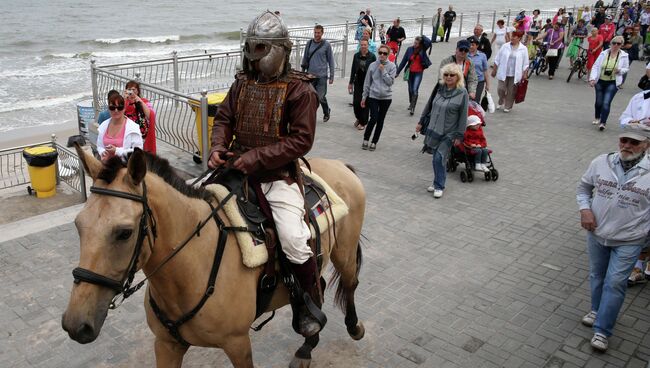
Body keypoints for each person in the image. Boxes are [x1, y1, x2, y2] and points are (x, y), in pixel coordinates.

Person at [208, 11, 324, 338]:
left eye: (261, 48)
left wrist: (257, 158)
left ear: (277, 50)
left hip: (276, 177)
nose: (254, 56)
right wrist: (217, 147)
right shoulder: (241, 83)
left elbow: (301, 140)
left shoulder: (300, 92)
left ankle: (309, 303)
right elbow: (224, 119)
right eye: (251, 47)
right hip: (235, 166)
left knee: (294, 240)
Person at [576, 123, 650, 352]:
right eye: (624, 140)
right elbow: (583, 189)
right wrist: (585, 210)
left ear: (647, 145)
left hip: (630, 238)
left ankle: (602, 330)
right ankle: (596, 309)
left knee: (615, 282)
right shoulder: (602, 162)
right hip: (597, 233)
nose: (627, 145)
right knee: (597, 275)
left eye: (634, 142)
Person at [415, 63, 468, 199]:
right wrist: (421, 122)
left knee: (439, 157)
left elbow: (463, 115)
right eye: (446, 74)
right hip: (434, 128)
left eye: (452, 75)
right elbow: (429, 105)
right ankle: (436, 181)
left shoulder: (462, 93)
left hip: (449, 132)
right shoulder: (439, 88)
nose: (449, 77)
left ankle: (439, 185)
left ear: (458, 77)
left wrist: (459, 135)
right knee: (435, 158)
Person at [589, 36, 629, 131]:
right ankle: (597, 116)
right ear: (611, 43)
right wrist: (592, 78)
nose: (615, 45)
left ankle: (603, 122)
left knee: (606, 102)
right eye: (614, 43)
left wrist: (619, 70)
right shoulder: (604, 53)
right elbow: (596, 66)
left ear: (621, 45)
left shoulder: (624, 55)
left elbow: (626, 68)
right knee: (599, 102)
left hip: (613, 82)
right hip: (600, 81)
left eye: (618, 44)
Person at [360, 44, 396, 151]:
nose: (382, 55)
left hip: (386, 97)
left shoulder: (392, 66)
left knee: (380, 120)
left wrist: (383, 71)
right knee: (374, 118)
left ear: (388, 54)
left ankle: (374, 142)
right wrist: (364, 97)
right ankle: (366, 139)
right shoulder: (372, 65)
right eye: (380, 53)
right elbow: (367, 82)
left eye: (385, 53)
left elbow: (390, 82)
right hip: (373, 96)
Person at [96, 93, 143, 163]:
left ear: (124, 109)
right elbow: (99, 146)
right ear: (108, 109)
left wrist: (117, 151)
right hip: (107, 167)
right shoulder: (103, 126)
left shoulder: (133, 127)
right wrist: (103, 153)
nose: (116, 111)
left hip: (125, 168)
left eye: (119, 108)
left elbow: (138, 151)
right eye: (112, 108)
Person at [301, 24, 335, 122]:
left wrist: (331, 76)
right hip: (310, 76)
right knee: (311, 98)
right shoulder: (309, 43)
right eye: (315, 32)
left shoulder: (326, 45)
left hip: (322, 76)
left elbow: (331, 61)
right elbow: (305, 59)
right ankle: (312, 116)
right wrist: (303, 73)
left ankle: (326, 111)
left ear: (322, 33)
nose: (316, 35)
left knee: (320, 97)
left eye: (318, 33)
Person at [491, 30, 529, 113]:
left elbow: (526, 63)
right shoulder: (505, 46)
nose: (512, 38)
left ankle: (508, 106)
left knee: (511, 91)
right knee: (500, 89)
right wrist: (494, 70)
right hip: (503, 71)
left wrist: (525, 73)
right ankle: (501, 99)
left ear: (519, 38)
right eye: (512, 36)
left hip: (515, 74)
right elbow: (497, 58)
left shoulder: (523, 49)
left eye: (514, 37)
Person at [396, 36, 432, 115]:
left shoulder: (423, 49)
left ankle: (413, 107)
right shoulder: (409, 49)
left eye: (416, 43)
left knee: (415, 89)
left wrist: (422, 37)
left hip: (418, 73)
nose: (414, 44)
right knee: (410, 89)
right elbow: (404, 61)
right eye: (414, 42)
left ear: (420, 44)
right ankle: (411, 103)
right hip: (410, 72)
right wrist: (397, 72)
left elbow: (429, 42)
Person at [349, 39, 376, 130]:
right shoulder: (356, 56)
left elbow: (375, 71)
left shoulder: (372, 57)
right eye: (362, 45)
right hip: (358, 82)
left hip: (368, 83)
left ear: (368, 45)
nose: (363, 46)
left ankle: (363, 122)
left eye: (365, 45)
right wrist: (350, 82)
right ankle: (359, 117)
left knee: (364, 103)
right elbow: (353, 69)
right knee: (356, 103)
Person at [123, 80, 156, 154]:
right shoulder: (123, 102)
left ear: (138, 91)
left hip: (142, 133)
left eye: (133, 90)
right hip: (127, 133)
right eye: (129, 89)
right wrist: (125, 99)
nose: (131, 92)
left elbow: (150, 115)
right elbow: (120, 113)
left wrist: (140, 101)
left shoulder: (144, 101)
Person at [467, 36, 490, 103]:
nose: (471, 46)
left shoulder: (482, 56)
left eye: (473, 45)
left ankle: (474, 113)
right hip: (467, 81)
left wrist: (488, 84)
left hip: (479, 81)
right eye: (469, 45)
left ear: (477, 45)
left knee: (475, 100)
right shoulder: (464, 54)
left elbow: (485, 70)